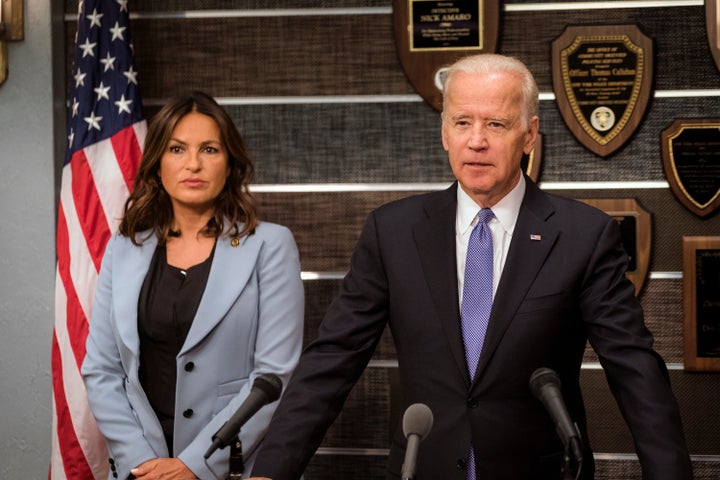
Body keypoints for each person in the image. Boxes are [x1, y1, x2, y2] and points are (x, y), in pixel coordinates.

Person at [246, 54, 694, 480]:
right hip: (424, 466)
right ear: (444, 133)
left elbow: (634, 371)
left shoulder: (583, 234)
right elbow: (332, 361)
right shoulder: (393, 232)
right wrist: (271, 470)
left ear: (530, 134)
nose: (476, 140)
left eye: (495, 124)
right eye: (462, 122)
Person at [82, 91, 304, 480]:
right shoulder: (124, 249)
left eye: (210, 149)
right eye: (177, 149)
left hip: (234, 465)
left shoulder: (270, 246)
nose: (193, 164)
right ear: (157, 163)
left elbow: (274, 376)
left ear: (230, 162)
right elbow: (102, 370)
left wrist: (195, 465)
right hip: (142, 469)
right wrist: (144, 464)